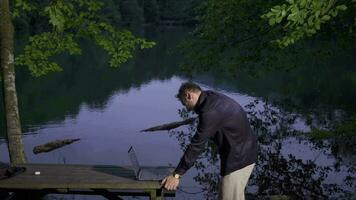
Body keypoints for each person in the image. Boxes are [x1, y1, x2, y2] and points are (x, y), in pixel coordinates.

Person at [161, 82, 258, 200]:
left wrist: (176, 175)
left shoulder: (209, 111)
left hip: (239, 159)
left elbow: (196, 146)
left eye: (184, 103)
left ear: (188, 95)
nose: (187, 108)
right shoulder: (210, 98)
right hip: (242, 153)